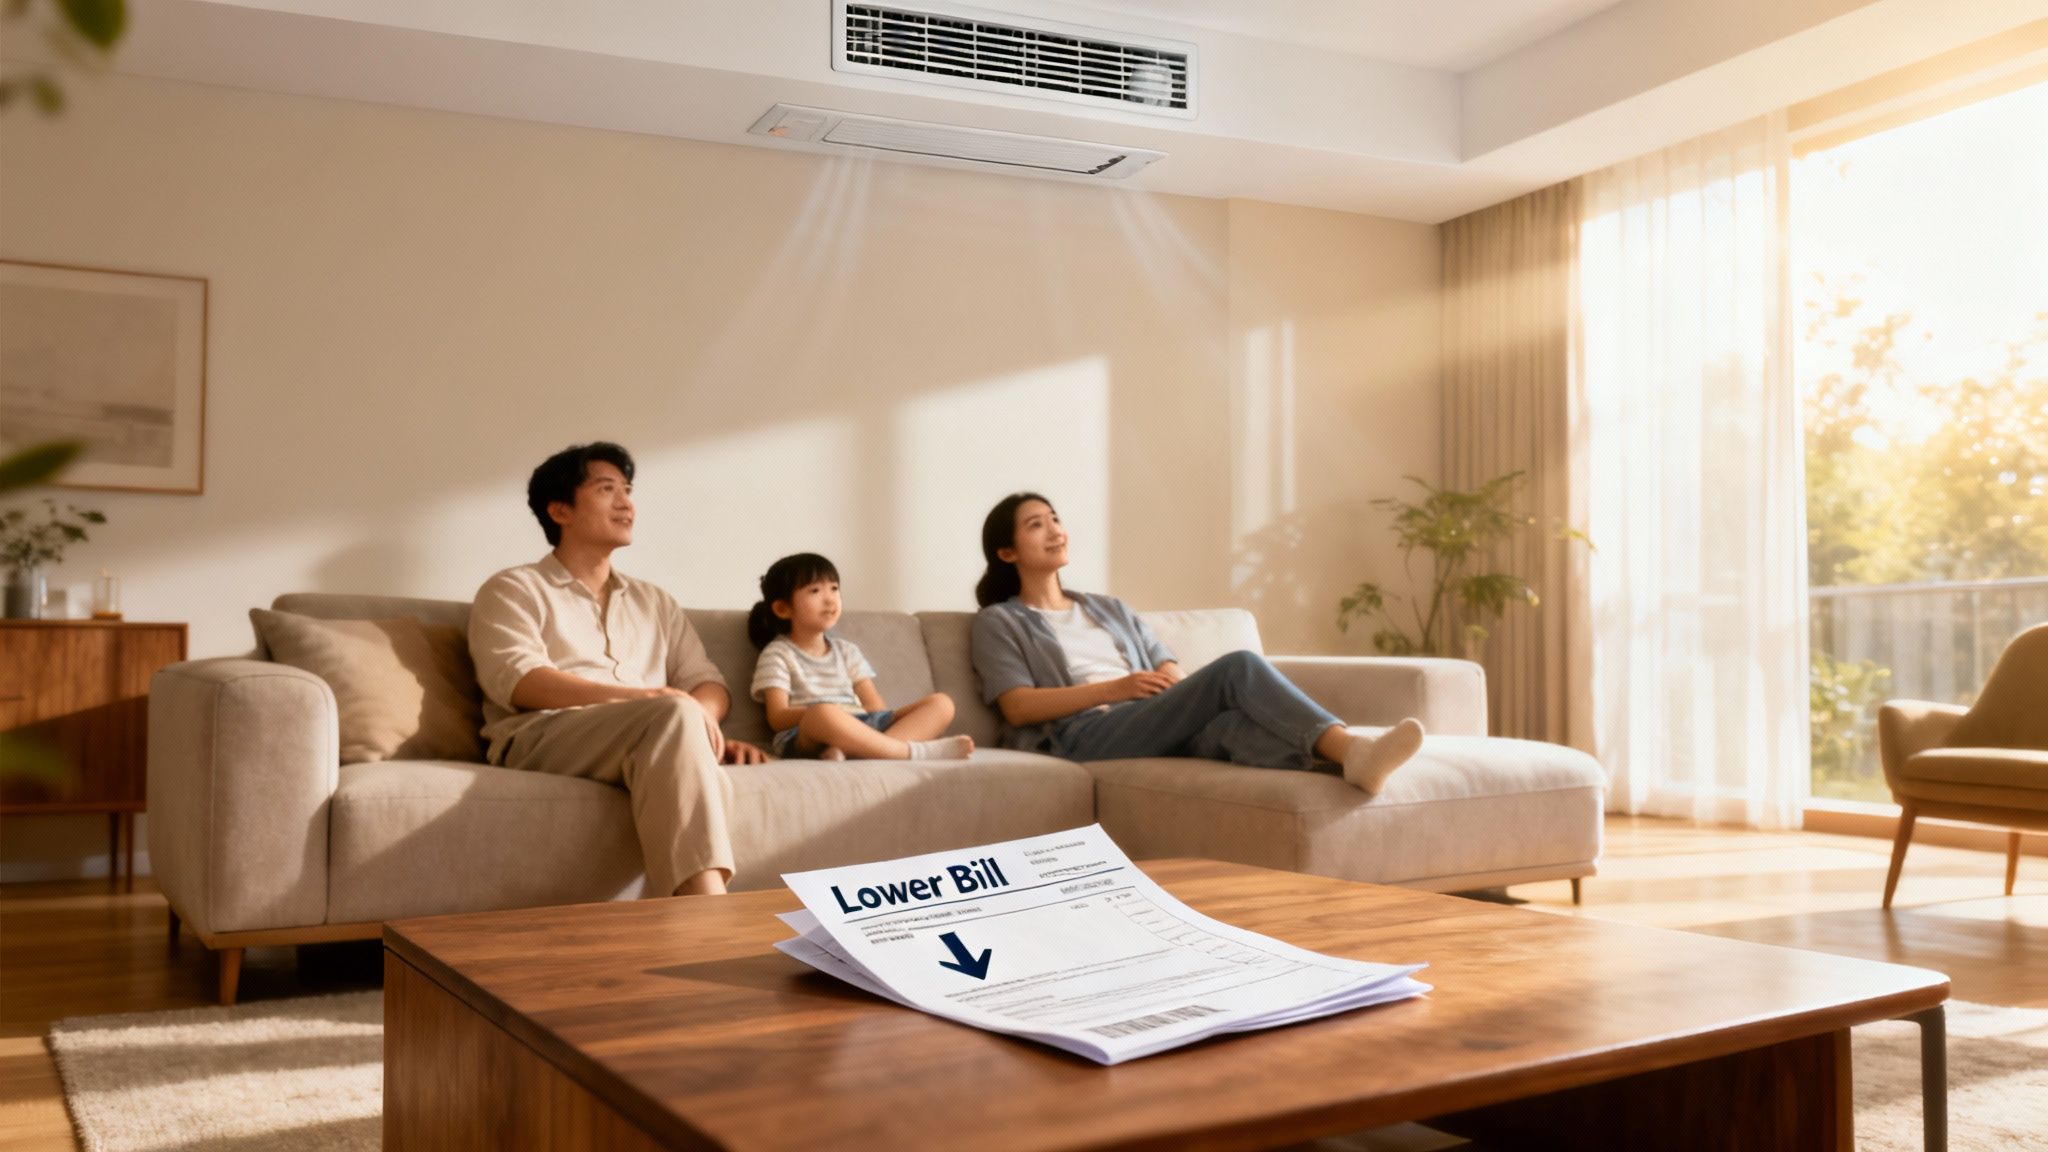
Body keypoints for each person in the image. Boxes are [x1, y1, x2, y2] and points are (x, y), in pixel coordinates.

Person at [968, 492, 1425, 793]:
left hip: (1146, 718)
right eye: (1035, 525)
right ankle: (1351, 747)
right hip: (1082, 734)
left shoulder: (1109, 608)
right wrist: (1117, 689)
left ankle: (1347, 767)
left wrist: (1173, 689)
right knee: (1238, 667)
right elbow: (1018, 708)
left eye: (1055, 519)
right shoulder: (1000, 621)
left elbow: (1167, 667)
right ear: (1007, 553)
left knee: (1229, 730)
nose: (1055, 530)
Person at [469, 442, 765, 899]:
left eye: (627, 490)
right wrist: (655, 704)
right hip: (541, 734)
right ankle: (707, 908)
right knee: (671, 715)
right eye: (607, 489)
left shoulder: (655, 601)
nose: (626, 503)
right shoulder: (514, 588)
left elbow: (705, 682)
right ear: (560, 509)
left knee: (676, 717)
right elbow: (520, 680)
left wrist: (698, 722)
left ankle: (695, 910)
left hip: (648, 732)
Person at [747, 552, 972, 761]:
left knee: (942, 703)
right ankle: (908, 752)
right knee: (823, 714)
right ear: (782, 609)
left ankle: (864, 749)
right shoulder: (777, 654)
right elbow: (777, 717)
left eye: (834, 588)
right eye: (815, 591)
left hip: (863, 724)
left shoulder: (847, 651)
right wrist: (833, 713)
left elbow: (875, 706)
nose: (830, 599)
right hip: (806, 733)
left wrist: (874, 720)